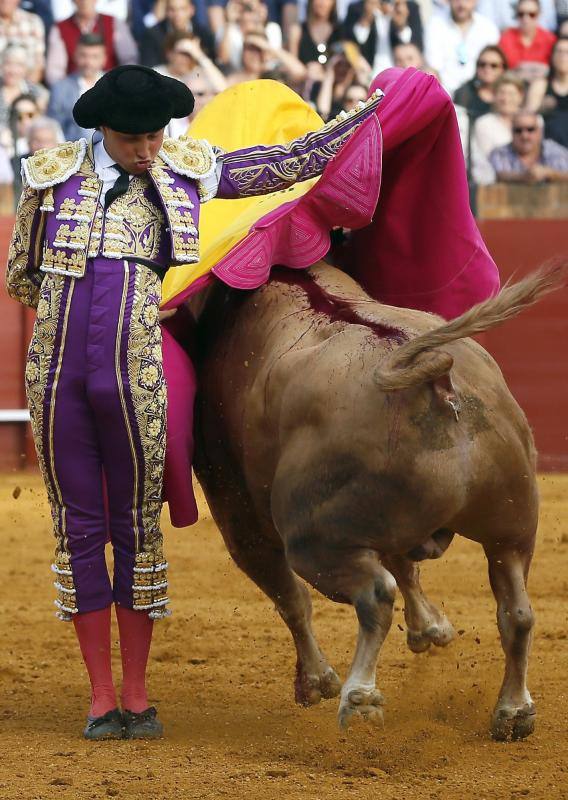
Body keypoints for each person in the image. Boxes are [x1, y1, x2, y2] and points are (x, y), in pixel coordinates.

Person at [5, 63, 382, 741]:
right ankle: (99, 697)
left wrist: (358, 119)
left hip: (135, 372)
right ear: (101, 129)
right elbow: (21, 277)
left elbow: (280, 166)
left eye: (155, 134)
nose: (147, 148)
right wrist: (76, 319)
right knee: (79, 533)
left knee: (136, 530)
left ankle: (139, 693)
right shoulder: (47, 174)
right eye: (132, 138)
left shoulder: (184, 166)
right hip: (57, 377)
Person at [45, 0, 138, 86]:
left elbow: (129, 59)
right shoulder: (60, 28)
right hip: (74, 89)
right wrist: (65, 90)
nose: (85, 2)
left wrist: (122, 83)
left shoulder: (114, 23)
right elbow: (55, 71)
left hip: (111, 87)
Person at [424, 0, 500, 97]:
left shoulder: (488, 28)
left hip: (480, 95)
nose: (462, 4)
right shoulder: (435, 24)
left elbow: (494, 67)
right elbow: (433, 66)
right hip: (444, 94)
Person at [47, 33, 107, 142]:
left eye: (94, 57)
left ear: (104, 58)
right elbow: (54, 127)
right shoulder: (60, 88)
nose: (88, 62)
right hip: (72, 151)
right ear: (75, 56)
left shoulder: (113, 85)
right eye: (83, 55)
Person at [342, 0, 424, 74]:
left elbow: (415, 45)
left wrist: (401, 25)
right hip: (368, 73)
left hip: (400, 71)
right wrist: (366, 19)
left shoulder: (409, 7)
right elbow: (352, 43)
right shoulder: (356, 8)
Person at [470, 73, 525, 183]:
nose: (506, 98)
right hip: (496, 184)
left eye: (511, 94)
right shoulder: (484, 123)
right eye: (501, 93)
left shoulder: (535, 121)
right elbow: (486, 161)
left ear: (520, 96)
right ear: (494, 96)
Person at [489, 107, 568, 180]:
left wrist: (551, 174)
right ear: (511, 132)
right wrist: (524, 177)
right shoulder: (500, 153)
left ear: (540, 131)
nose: (524, 136)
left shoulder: (555, 150)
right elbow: (496, 176)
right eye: (518, 130)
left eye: (530, 129)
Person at [140, 0, 216, 65]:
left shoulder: (204, 34)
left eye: (182, 9)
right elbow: (149, 68)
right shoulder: (152, 35)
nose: (177, 15)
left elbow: (213, 65)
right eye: (172, 10)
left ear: (191, 10)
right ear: (166, 11)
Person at [498, 0, 557, 79]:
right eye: (521, 14)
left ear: (539, 15)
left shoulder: (550, 40)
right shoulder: (506, 38)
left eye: (532, 14)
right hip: (511, 85)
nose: (526, 18)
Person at [527, 35, 568, 145]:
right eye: (559, 51)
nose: (562, 56)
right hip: (547, 143)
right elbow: (528, 118)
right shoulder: (540, 85)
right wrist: (542, 108)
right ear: (552, 56)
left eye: (566, 52)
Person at [453, 44, 508, 120]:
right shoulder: (464, 93)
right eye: (482, 64)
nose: (487, 69)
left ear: (503, 69)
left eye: (494, 65)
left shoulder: (511, 95)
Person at [0, 0, 46, 83]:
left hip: (26, 88)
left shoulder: (33, 22)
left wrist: (22, 92)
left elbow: (38, 67)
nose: (5, 1)